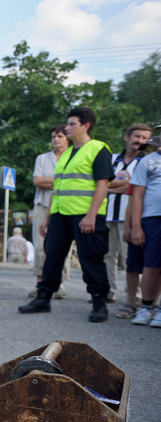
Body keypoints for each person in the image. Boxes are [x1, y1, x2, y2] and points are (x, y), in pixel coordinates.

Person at [20, 107, 114, 322]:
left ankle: (99, 302)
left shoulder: (98, 149)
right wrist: (46, 219)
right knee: (52, 257)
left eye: (72, 124)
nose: (67, 127)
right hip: (60, 215)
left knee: (90, 258)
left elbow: (102, 185)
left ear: (85, 126)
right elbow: (57, 188)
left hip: (86, 215)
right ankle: (43, 298)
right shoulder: (67, 155)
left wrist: (91, 215)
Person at [105, 124, 151, 303]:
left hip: (131, 216)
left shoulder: (146, 161)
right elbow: (101, 183)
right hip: (108, 213)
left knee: (129, 258)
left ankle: (134, 296)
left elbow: (138, 188)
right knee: (107, 254)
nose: (139, 141)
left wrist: (112, 186)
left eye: (144, 138)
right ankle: (109, 291)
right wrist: (125, 186)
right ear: (127, 137)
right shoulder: (113, 159)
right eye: (137, 136)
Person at [30, 126, 71, 299]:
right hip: (43, 204)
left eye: (60, 136)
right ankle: (40, 284)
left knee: (63, 246)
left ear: (67, 138)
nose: (56, 139)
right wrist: (60, 181)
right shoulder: (42, 158)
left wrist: (52, 182)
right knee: (40, 245)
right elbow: (37, 181)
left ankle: (60, 285)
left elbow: (73, 182)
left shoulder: (73, 156)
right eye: (53, 136)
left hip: (66, 205)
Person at [127, 139, 161, 327]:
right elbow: (137, 195)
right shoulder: (147, 161)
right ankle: (146, 307)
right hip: (153, 218)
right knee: (151, 265)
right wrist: (136, 226)